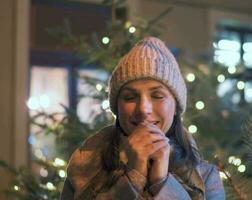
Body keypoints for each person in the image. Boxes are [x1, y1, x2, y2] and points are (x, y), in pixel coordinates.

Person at [60, 37, 225, 200]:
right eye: (130, 97)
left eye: (157, 96)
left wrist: (162, 183)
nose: (143, 109)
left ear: (176, 106)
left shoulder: (206, 177)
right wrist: (134, 175)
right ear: (117, 107)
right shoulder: (84, 167)